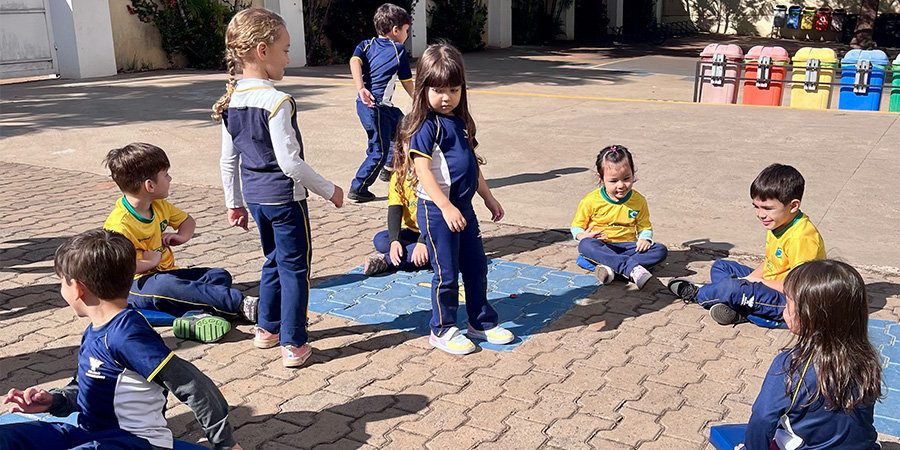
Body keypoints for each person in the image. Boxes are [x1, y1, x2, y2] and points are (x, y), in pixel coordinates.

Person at [0, 229, 241, 450]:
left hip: (133, 443)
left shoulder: (128, 336)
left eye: (61, 281)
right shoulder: (97, 329)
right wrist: (54, 401)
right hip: (88, 433)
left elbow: (194, 385)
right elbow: (90, 388)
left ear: (76, 288)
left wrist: (226, 443)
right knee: (9, 438)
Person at [212, 8, 344, 368]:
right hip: (285, 199)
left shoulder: (231, 101)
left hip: (255, 199)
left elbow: (229, 160)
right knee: (295, 268)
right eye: (285, 49)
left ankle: (267, 329)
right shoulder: (277, 101)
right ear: (261, 50)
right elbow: (290, 163)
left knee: (272, 261)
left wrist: (233, 203)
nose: (289, 57)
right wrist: (328, 188)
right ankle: (294, 342)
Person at [396, 43, 514, 355]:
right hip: (436, 211)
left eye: (453, 89)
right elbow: (422, 171)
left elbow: (472, 164)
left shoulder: (461, 123)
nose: (446, 97)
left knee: (476, 267)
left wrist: (487, 197)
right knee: (446, 273)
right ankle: (443, 328)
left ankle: (480, 321)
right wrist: (445, 206)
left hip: (463, 208)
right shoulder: (424, 127)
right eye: (438, 90)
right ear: (423, 90)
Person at [103, 143, 257, 343]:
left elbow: (187, 221)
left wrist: (182, 236)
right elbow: (117, 268)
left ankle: (194, 317)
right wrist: (149, 263)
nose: (170, 179)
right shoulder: (118, 225)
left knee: (218, 276)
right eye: (166, 175)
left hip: (167, 276)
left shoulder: (159, 205)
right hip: (134, 286)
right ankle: (242, 306)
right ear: (150, 186)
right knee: (165, 285)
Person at [736, 259, 882, 450]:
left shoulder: (790, 365)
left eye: (788, 302)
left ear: (809, 315)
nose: (784, 309)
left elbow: (762, 419)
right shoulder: (868, 360)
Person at [669, 164, 825, 327]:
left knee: (733, 288)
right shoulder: (779, 222)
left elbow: (799, 288)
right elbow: (771, 262)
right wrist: (749, 280)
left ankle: (701, 293)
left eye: (768, 208)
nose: (760, 214)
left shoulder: (802, 238)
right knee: (721, 266)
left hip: (792, 301)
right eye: (756, 207)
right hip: (772, 284)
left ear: (793, 206)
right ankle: (737, 302)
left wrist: (752, 284)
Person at [570, 145, 668, 289]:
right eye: (613, 181)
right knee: (585, 245)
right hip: (602, 245)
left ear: (633, 174)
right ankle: (632, 268)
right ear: (601, 178)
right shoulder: (590, 200)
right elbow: (576, 226)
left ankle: (611, 270)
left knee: (660, 250)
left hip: (628, 246)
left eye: (626, 178)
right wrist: (582, 236)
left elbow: (644, 226)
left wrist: (644, 238)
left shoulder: (639, 200)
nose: (621, 185)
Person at [347, 3, 415, 202]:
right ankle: (358, 188)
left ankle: (388, 167)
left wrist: (360, 88)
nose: (407, 35)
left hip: (373, 106)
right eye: (406, 31)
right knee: (378, 150)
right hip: (375, 109)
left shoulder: (365, 44)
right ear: (395, 31)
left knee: (403, 128)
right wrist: (420, 101)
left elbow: (353, 61)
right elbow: (407, 81)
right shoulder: (398, 49)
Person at [363, 137, 429, 275]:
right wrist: (394, 241)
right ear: (402, 147)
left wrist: (422, 242)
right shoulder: (399, 174)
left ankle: (386, 261)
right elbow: (394, 210)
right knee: (381, 240)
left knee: (438, 249)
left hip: (433, 232)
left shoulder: (432, 172)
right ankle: (414, 253)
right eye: (408, 144)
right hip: (411, 231)